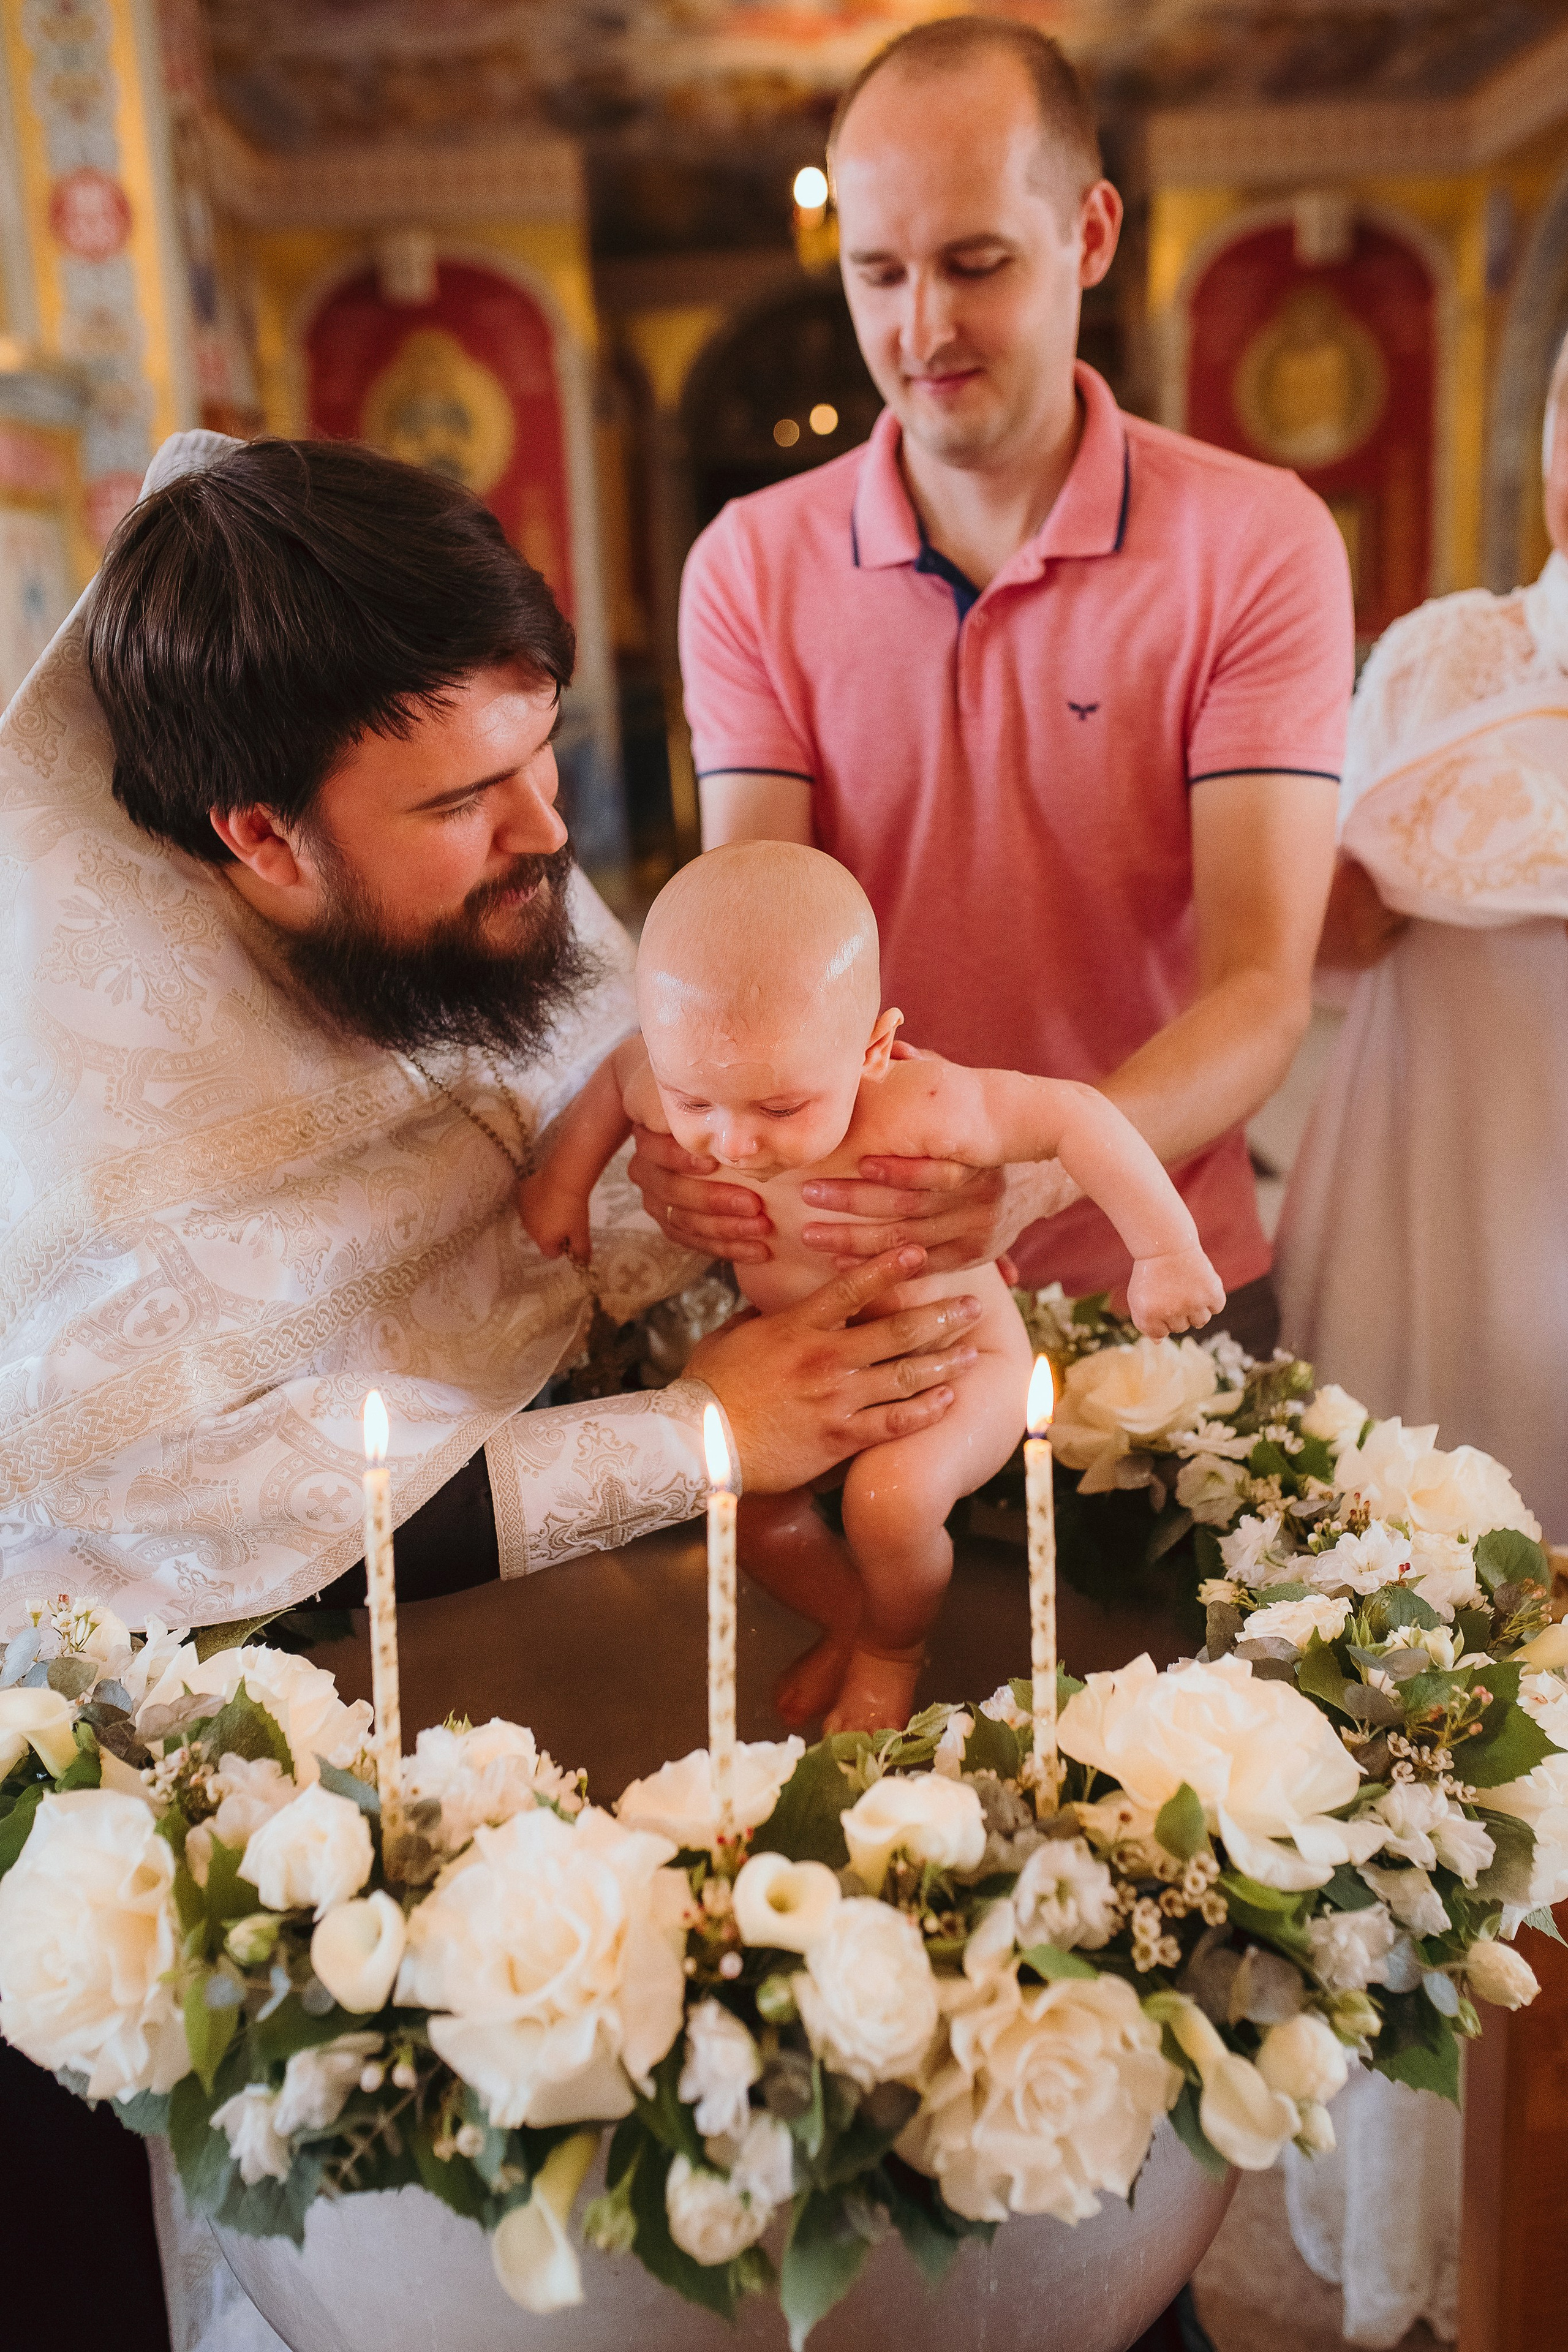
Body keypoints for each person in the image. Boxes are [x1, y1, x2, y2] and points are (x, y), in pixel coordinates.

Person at [0, 431, 985, 1623]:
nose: (548, 834)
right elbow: (169, 1514)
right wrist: (694, 1435)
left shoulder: (487, 879)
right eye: (465, 800)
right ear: (261, 835)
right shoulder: (95, 1121)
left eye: (541, 757)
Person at [627, 18, 1352, 1362]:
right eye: (876, 271)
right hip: (849, 1276)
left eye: (974, 265)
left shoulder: (1257, 543)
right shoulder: (748, 563)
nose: (921, 329)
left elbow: (1259, 987)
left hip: (1153, 1270)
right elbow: (755, 935)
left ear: (1086, 234)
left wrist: (1033, 1176)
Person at [521, 842, 1223, 1727]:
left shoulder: (927, 1105)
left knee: (887, 1505)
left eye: (780, 1109)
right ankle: (852, 1622)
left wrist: (1163, 1250)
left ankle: (894, 1651)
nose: (733, 1142)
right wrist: (562, 1184)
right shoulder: (668, 1075)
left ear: (875, 1048)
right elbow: (615, 1083)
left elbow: (1076, 1118)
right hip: (807, 1363)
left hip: (960, 1358)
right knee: (740, 1496)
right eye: (697, 1101)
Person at [1269, 339, 1568, 2352]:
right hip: (1452, 1218)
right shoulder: (1446, 654)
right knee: (1443, 1716)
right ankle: (1439, 2250)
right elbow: (1348, 902)